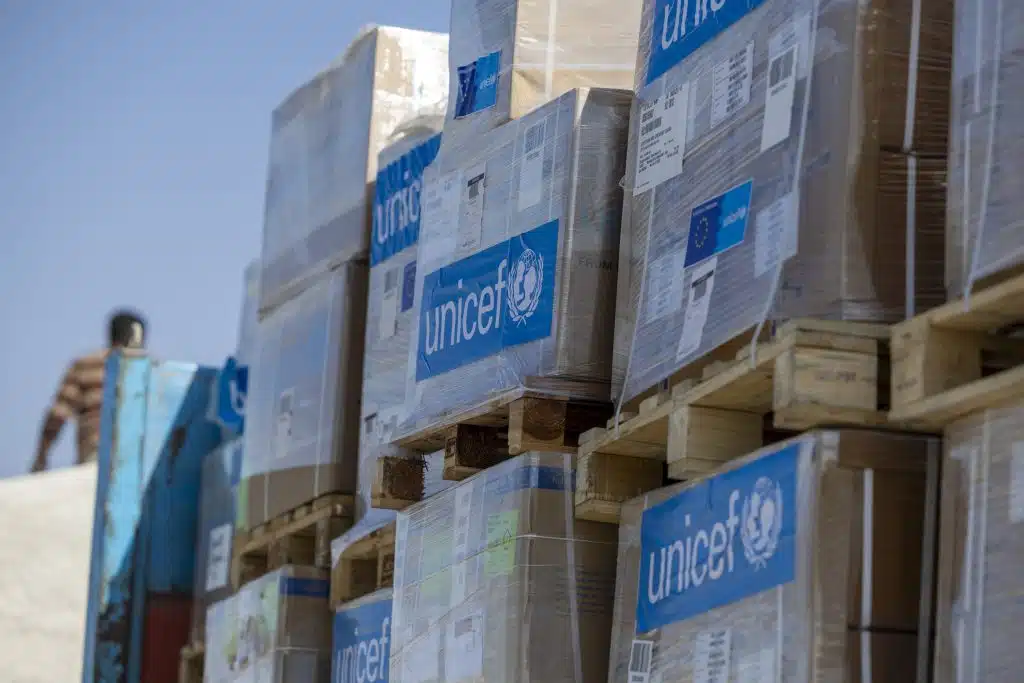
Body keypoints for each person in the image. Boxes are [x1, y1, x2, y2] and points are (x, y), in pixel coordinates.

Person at [30, 309, 147, 473]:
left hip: (94, 454)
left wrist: (41, 457)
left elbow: (58, 415)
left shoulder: (85, 365)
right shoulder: (152, 370)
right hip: (143, 457)